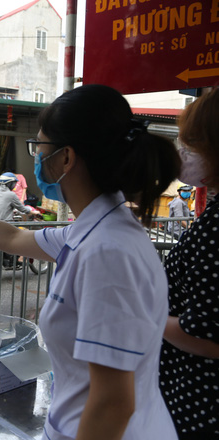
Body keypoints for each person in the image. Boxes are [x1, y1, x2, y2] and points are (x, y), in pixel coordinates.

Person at [0, 84, 179, 440]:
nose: (36, 156)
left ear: (66, 158)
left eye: (40, 147)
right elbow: (11, 237)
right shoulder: (90, 230)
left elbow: (113, 403)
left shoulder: (108, 253)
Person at [159, 88, 219, 439]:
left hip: (200, 404)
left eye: (193, 143)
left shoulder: (215, 230)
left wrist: (142, 313)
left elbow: (207, 337)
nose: (184, 153)